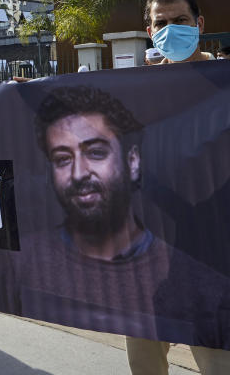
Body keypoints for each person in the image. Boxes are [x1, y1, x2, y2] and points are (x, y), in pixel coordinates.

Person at [16, 85, 230, 372]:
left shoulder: (213, 85)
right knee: (144, 364)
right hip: (147, 288)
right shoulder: (139, 88)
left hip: (208, 285)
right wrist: (33, 93)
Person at [128, 0, 230, 372]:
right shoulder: (137, 90)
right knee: (145, 362)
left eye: (180, 21)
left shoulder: (225, 81)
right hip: (151, 251)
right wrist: (27, 97)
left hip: (214, 252)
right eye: (162, 23)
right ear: (150, 31)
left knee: (217, 363)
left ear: (199, 24)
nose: (171, 29)